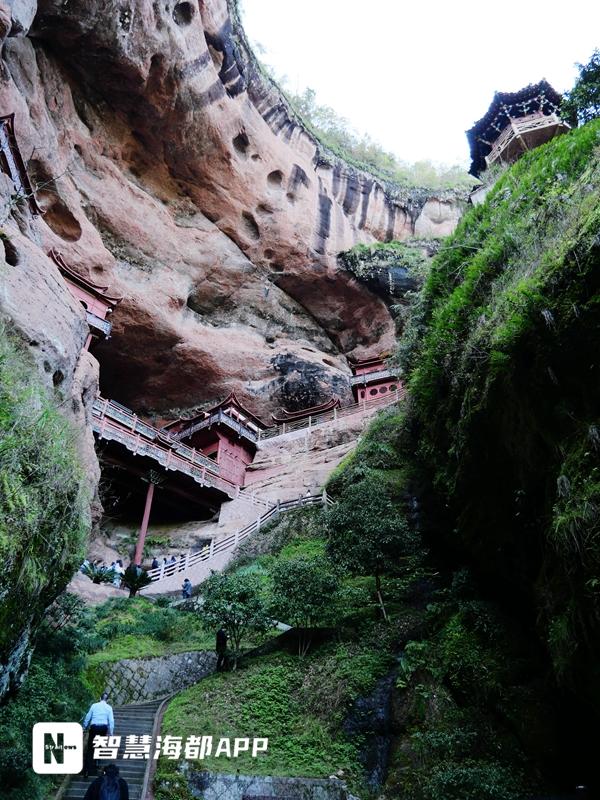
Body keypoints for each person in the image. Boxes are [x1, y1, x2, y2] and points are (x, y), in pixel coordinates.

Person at [82, 692, 114, 778]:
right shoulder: (109, 708)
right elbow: (111, 721)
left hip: (94, 728)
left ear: (100, 698)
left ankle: (86, 771)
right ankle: (96, 763)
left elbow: (88, 716)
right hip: (103, 728)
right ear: (107, 700)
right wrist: (111, 733)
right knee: (99, 746)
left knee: (90, 749)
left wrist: (84, 727)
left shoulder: (94, 705)